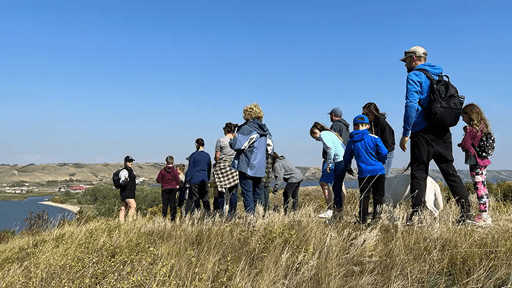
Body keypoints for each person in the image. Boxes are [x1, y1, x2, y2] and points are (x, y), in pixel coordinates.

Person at [399, 45, 472, 223]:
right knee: (449, 171)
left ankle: (416, 215)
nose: (405, 65)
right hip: (443, 131)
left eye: (406, 61)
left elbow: (411, 105)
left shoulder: (414, 75)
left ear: (413, 59)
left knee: (419, 172)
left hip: (422, 132)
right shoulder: (439, 75)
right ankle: (467, 213)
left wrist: (405, 132)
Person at [339, 115, 388, 224]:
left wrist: (347, 167)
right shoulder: (374, 138)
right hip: (379, 171)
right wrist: (381, 161)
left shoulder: (352, 142)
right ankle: (376, 218)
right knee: (378, 197)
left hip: (364, 173)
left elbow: (347, 157)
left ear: (354, 127)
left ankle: (363, 219)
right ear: (368, 126)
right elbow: (384, 152)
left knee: (364, 196)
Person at [230, 103, 273, 214]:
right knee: (258, 194)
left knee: (247, 194)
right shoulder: (265, 130)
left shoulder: (247, 128)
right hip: (260, 167)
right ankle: (260, 216)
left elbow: (237, 145)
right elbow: (270, 148)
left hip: (247, 165)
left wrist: (233, 138)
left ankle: (251, 220)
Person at [458, 103, 493, 224]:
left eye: (463, 116)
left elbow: (466, 145)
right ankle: (485, 214)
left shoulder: (471, 129)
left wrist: (463, 142)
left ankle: (483, 216)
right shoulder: (483, 126)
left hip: (475, 161)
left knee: (478, 187)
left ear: (469, 115)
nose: (462, 119)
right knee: (483, 186)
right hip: (483, 160)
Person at [310, 122, 345, 220]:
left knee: (326, 183)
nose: (317, 140)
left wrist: (329, 163)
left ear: (316, 133)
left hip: (336, 160)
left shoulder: (323, 135)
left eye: (315, 138)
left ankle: (332, 210)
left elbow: (330, 149)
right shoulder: (330, 133)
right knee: (338, 184)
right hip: (342, 159)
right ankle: (339, 211)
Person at [213, 122, 239, 217]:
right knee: (233, 192)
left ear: (225, 130)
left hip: (222, 168)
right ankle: (232, 213)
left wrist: (216, 160)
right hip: (233, 167)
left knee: (221, 191)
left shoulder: (220, 141)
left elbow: (217, 156)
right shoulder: (236, 140)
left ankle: (220, 213)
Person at [362, 102, 396, 176]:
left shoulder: (382, 123)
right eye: (363, 114)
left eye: (367, 114)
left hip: (385, 153)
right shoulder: (369, 125)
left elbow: (389, 142)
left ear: (373, 113)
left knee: (383, 177)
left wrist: (382, 153)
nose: (365, 117)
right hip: (376, 155)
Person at [184, 138, 212, 216]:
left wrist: (187, 181)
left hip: (195, 180)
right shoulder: (207, 155)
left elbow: (190, 169)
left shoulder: (193, 156)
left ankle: (197, 214)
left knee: (195, 198)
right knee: (205, 199)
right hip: (204, 179)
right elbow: (209, 168)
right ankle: (208, 214)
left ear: (197, 144)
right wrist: (208, 178)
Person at [118, 156, 144, 223]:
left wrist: (140, 180)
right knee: (133, 206)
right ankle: (129, 221)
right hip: (127, 193)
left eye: (132, 161)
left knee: (123, 208)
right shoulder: (124, 172)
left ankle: (121, 222)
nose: (131, 163)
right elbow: (122, 181)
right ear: (125, 162)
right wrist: (125, 180)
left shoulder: (131, 171)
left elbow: (133, 182)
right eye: (129, 162)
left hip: (127, 192)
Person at [156, 155, 180, 221]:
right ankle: (173, 219)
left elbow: (158, 180)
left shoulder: (162, 171)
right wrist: (177, 185)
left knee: (165, 204)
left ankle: (164, 218)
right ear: (173, 162)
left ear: (166, 162)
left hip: (165, 189)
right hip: (173, 189)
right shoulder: (175, 171)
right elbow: (177, 180)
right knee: (172, 204)